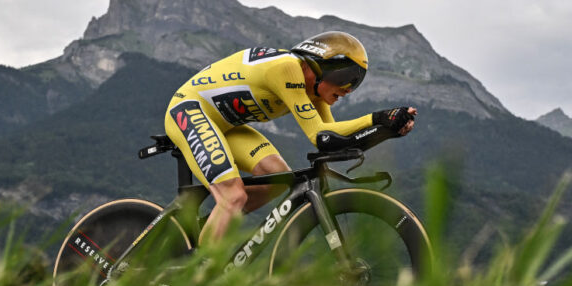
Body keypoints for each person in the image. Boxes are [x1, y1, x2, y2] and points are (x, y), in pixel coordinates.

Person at [163, 31, 417, 245]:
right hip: (189, 110)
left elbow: (335, 137)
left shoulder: (314, 93)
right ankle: (198, 278)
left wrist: (388, 129)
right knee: (233, 196)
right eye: (347, 80)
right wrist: (378, 118)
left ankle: (204, 235)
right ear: (325, 69)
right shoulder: (287, 68)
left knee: (278, 178)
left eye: (355, 84)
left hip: (226, 126)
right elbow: (323, 138)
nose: (348, 90)